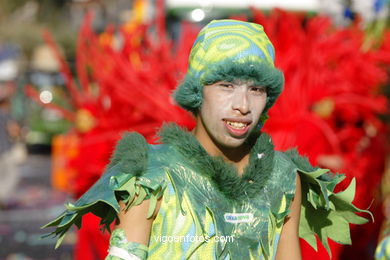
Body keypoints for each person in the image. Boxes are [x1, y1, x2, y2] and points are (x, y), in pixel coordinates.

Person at [45, 19, 370, 260]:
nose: (243, 105)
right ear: (196, 92)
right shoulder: (150, 179)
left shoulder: (283, 179)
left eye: (256, 89)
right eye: (226, 85)